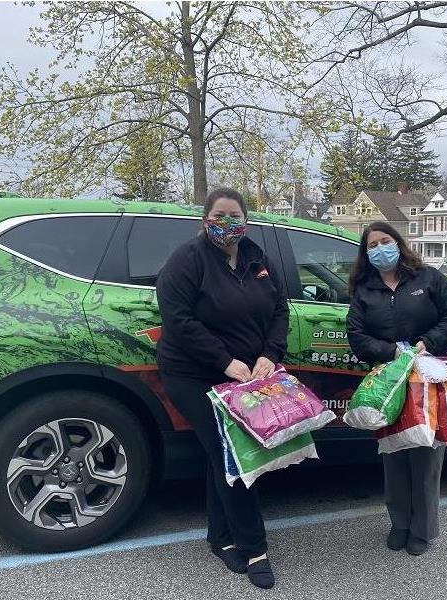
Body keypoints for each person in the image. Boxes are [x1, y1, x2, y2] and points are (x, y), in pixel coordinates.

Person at [156, 187, 288, 588]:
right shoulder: (187, 260)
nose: (227, 223)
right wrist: (224, 361)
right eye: (219, 215)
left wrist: (270, 352)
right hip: (193, 373)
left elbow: (280, 308)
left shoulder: (256, 258)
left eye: (235, 216)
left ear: (246, 220)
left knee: (221, 456)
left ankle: (220, 537)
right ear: (205, 219)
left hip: (248, 374)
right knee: (233, 453)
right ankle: (254, 549)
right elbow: (177, 319)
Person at [346, 222, 447, 556]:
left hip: (428, 377)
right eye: (372, 245)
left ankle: (422, 529)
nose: (380, 249)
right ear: (365, 253)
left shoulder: (427, 278)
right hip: (389, 381)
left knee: (426, 456)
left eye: (386, 241)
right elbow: (357, 336)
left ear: (399, 244)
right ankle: (399, 523)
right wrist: (391, 352)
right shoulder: (364, 291)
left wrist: (429, 343)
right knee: (395, 454)